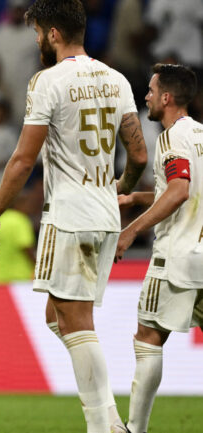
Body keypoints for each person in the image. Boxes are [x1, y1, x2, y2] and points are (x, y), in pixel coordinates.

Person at [0, 2, 148, 432]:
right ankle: (109, 417)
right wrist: (120, 188)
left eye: (37, 31)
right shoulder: (117, 79)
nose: (36, 39)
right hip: (105, 213)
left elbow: (22, 159)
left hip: (69, 213)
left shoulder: (47, 81)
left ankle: (101, 425)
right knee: (59, 318)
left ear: (53, 33)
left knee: (76, 322)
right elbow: (139, 154)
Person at [114, 64, 203, 433]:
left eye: (151, 91)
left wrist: (130, 231)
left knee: (148, 336)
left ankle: (135, 429)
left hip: (176, 256)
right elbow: (187, 188)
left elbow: (180, 191)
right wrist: (137, 196)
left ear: (167, 98)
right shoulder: (201, 135)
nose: (146, 97)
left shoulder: (170, 138)